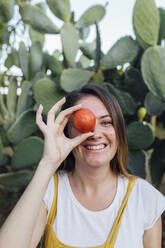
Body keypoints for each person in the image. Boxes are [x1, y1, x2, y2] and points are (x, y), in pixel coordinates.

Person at [0, 84, 165, 248]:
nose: (95, 134)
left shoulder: (145, 198)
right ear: (67, 132)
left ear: (119, 131)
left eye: (106, 122)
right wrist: (48, 163)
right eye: (83, 122)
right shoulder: (48, 192)